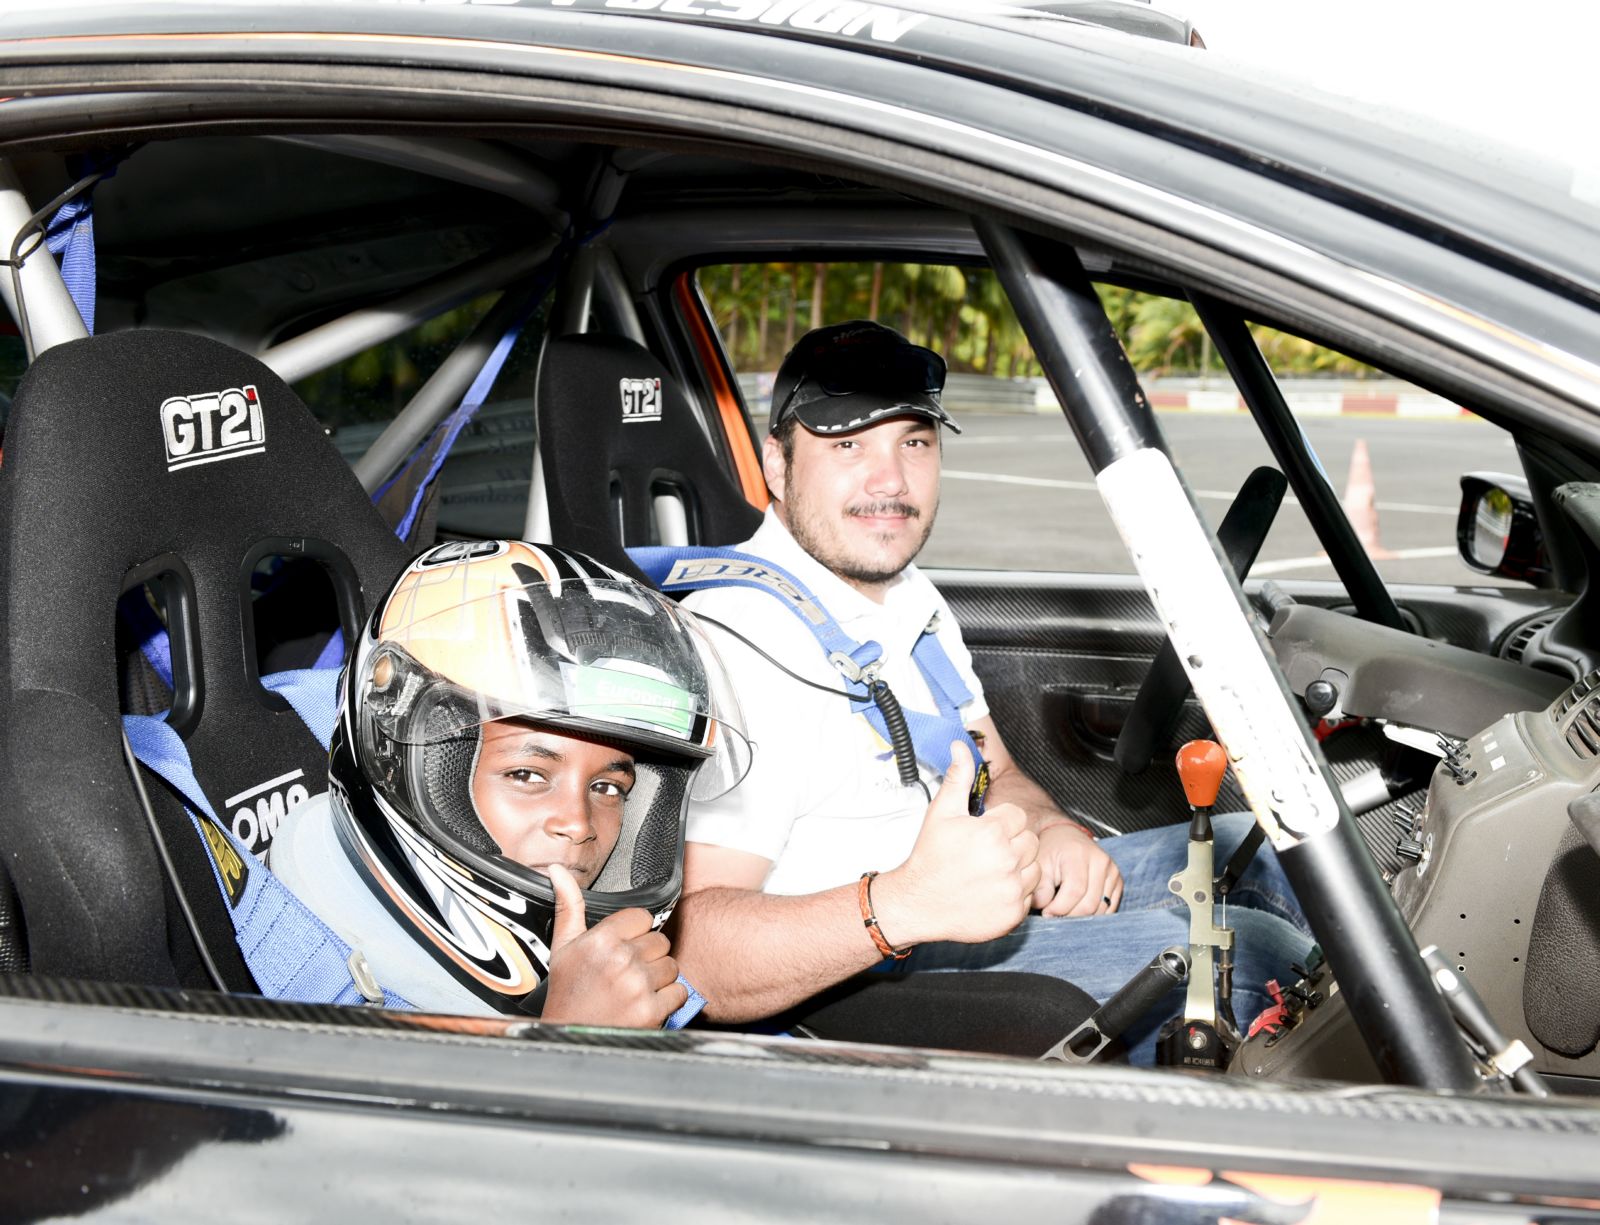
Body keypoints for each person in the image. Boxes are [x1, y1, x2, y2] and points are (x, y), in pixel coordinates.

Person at [669, 320, 1315, 1063]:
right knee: (1257, 955)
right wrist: (905, 903)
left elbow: (996, 771)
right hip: (869, 971)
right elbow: (695, 955)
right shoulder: (739, 639)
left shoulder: (909, 598)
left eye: (913, 441)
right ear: (777, 466)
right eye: (848, 446)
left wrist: (1048, 829)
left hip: (963, 896)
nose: (890, 481)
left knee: (1275, 849)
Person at [272, 539, 751, 1027]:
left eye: (608, 788)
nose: (578, 825)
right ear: (406, 760)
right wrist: (571, 1041)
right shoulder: (304, 978)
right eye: (527, 775)